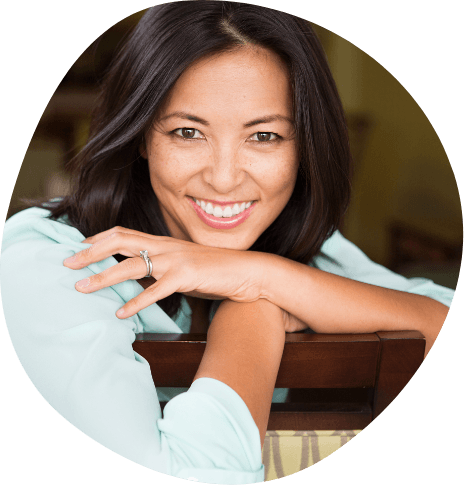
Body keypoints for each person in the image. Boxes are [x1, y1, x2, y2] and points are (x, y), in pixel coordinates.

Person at [0, 1, 454, 483]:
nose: (222, 180)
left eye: (263, 136)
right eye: (188, 132)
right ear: (140, 136)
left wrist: (258, 278)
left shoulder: (305, 252)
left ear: (305, 146)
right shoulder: (51, 264)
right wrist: (259, 305)